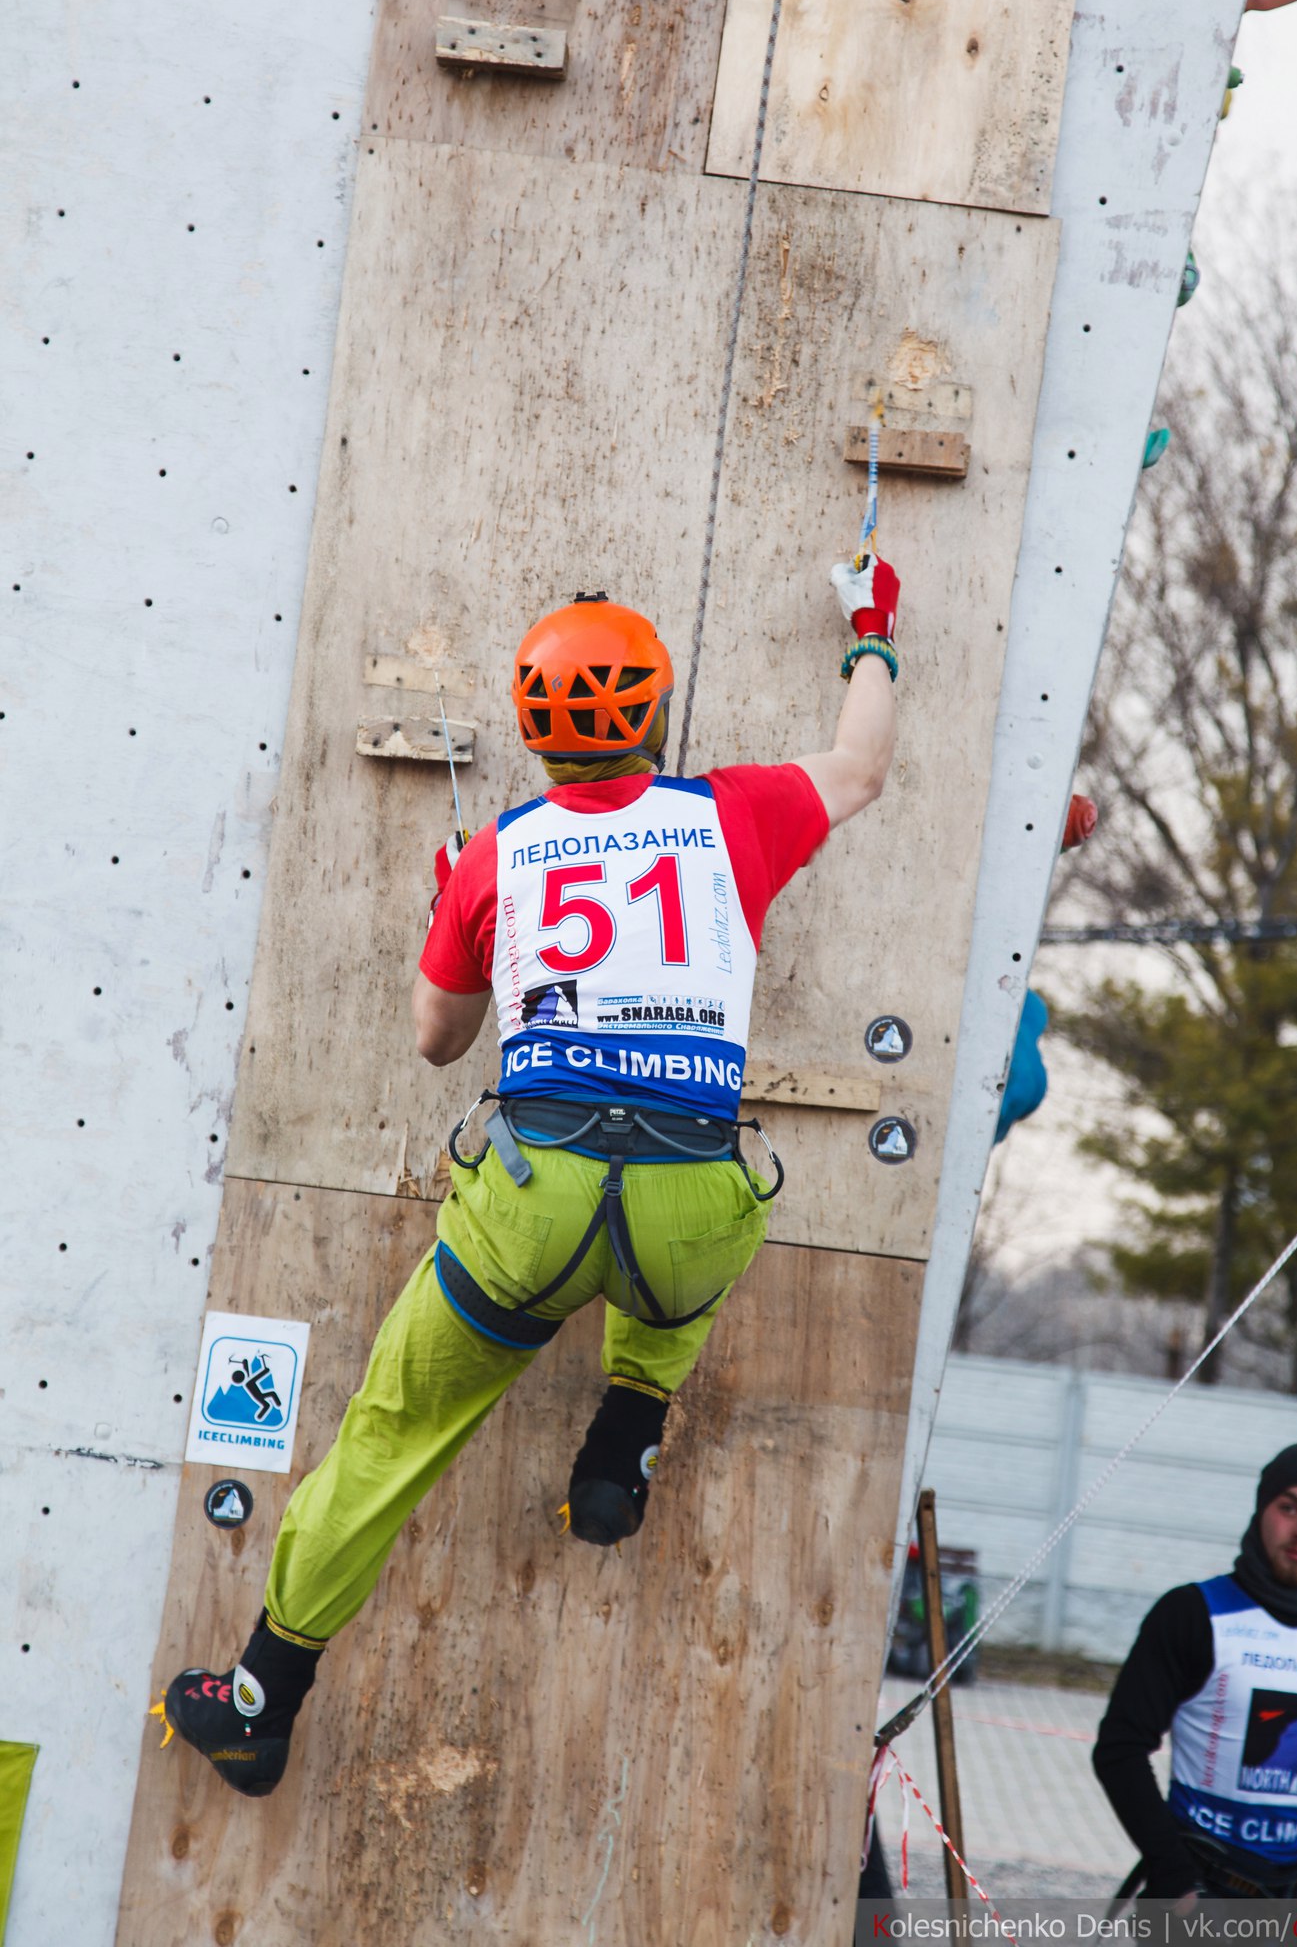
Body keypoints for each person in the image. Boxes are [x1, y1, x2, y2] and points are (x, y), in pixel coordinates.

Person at [161, 555, 901, 1796]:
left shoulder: (498, 857)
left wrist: (450, 911)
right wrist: (869, 629)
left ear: (530, 729)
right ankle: (625, 1435)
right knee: (709, 1232)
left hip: (532, 1210)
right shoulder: (731, 814)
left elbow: (437, 1040)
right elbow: (865, 762)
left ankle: (256, 1699)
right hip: (683, 1209)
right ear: (655, 714)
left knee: (393, 1435)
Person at [1093, 1443, 1297, 1902]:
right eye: (1289, 1509)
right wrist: (1173, 1877)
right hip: (1199, 1895)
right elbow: (1120, 1748)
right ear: (1262, 1510)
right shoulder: (1191, 1614)